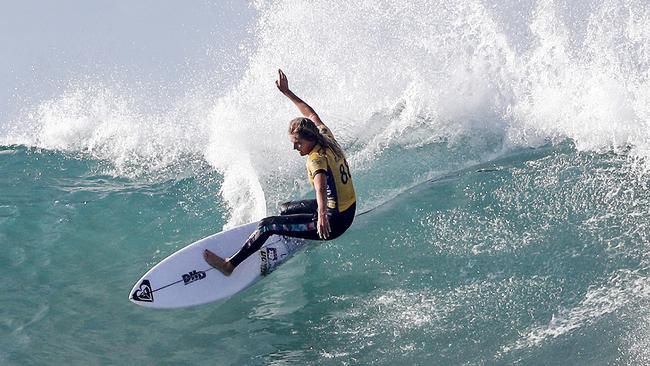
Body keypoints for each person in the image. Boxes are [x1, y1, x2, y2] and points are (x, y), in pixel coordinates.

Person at [203, 69, 357, 276]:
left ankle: (229, 265)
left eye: (298, 143)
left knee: (268, 225)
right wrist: (287, 92)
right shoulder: (325, 136)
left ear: (308, 139)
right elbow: (311, 114)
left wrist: (322, 218)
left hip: (334, 222)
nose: (295, 148)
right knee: (285, 209)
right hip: (344, 208)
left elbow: (320, 186)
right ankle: (296, 231)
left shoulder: (316, 158)